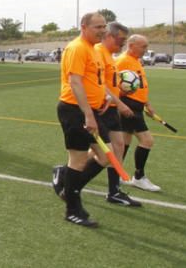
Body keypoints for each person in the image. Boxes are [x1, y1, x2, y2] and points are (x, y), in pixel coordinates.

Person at [50, 12, 112, 228]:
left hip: (90, 110)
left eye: (104, 26)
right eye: (98, 27)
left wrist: (104, 97)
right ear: (84, 26)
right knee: (77, 160)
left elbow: (94, 80)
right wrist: (88, 114)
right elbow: (75, 82)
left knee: (105, 156)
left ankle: (66, 181)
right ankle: (72, 209)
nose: (103, 30)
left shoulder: (93, 49)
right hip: (74, 110)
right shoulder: (77, 48)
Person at [94, 22, 140, 207]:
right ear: (110, 36)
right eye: (121, 39)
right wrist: (120, 103)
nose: (123, 44)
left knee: (119, 146)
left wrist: (122, 93)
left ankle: (114, 191)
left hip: (111, 107)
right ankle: (67, 173)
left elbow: (110, 82)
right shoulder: (97, 52)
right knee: (100, 152)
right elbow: (99, 84)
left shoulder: (110, 55)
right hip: (101, 107)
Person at [117, 35, 162, 192]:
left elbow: (139, 86)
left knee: (124, 142)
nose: (145, 50)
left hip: (137, 106)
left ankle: (117, 175)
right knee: (147, 140)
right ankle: (139, 177)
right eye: (143, 46)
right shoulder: (122, 61)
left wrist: (147, 104)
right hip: (128, 107)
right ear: (131, 45)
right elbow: (114, 85)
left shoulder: (136, 61)